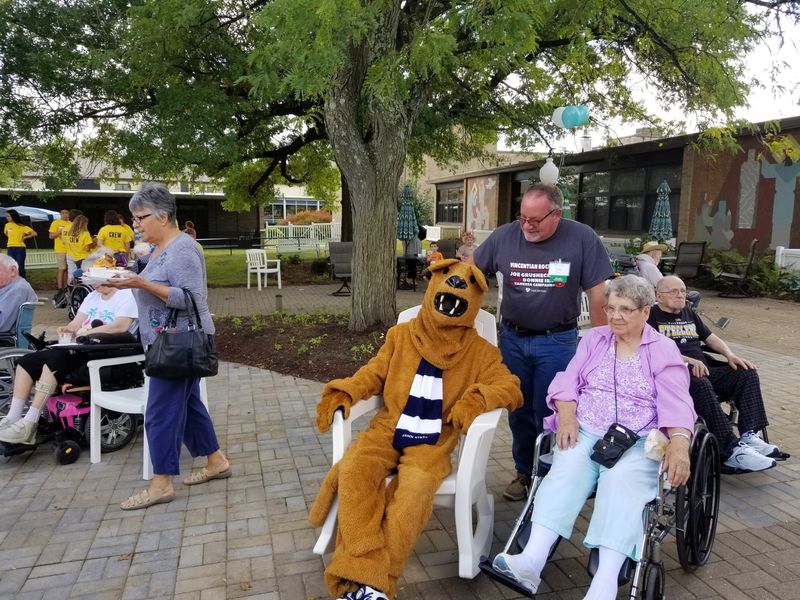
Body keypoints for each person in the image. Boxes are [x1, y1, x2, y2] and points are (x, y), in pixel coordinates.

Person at [491, 275, 696, 599]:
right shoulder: (594, 340)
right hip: (586, 429)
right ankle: (531, 561)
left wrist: (681, 445)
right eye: (611, 308)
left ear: (645, 312)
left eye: (626, 309)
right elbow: (567, 382)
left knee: (621, 484)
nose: (615, 316)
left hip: (638, 439)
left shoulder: (662, 349)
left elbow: (678, 402)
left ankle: (603, 586)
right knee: (565, 470)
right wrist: (568, 417)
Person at [467, 183, 613, 501]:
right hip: (512, 340)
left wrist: (603, 348)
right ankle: (524, 471)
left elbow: (598, 295)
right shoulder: (506, 236)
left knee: (554, 411)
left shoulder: (582, 238)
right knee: (518, 410)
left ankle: (551, 476)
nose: (527, 226)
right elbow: (470, 276)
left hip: (557, 341)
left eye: (535, 220)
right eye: (523, 218)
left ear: (556, 214)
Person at [106, 182, 229, 510]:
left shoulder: (182, 248)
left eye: (140, 217)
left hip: (179, 342)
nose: (135, 224)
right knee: (187, 406)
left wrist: (141, 282)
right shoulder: (159, 249)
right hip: (167, 342)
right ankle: (216, 461)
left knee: (160, 412)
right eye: (133, 218)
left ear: (163, 216)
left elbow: (191, 298)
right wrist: (122, 278)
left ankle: (161, 483)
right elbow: (156, 285)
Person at [647, 275, 782, 472]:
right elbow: (650, 349)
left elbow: (710, 338)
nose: (680, 295)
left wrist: (730, 355)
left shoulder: (688, 313)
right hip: (677, 378)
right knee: (702, 383)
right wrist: (685, 359)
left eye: (683, 291)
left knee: (746, 372)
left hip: (705, 371)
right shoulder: (651, 316)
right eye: (674, 291)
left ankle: (749, 435)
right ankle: (731, 450)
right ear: (659, 295)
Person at [0, 283, 138, 441]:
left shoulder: (127, 295)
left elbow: (120, 326)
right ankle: (13, 416)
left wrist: (88, 334)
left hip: (105, 350)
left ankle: (29, 423)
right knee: (26, 362)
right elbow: (76, 323)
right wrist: (68, 329)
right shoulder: (92, 296)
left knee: (53, 364)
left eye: (98, 280)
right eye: (92, 281)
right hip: (79, 346)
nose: (95, 285)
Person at [635, 241, 701, 308]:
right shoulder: (650, 267)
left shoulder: (638, 262)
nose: (660, 258)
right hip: (655, 296)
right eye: (659, 255)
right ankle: (687, 314)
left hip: (644, 294)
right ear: (653, 254)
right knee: (695, 295)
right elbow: (663, 284)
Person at [0, 254, 38, 344]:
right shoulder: (10, 287)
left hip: (5, 339)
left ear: (12, 271)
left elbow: (2, 324)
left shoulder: (18, 289)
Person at [3, 209, 37, 279]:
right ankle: (12, 282)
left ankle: (22, 282)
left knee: (20, 266)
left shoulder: (22, 226)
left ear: (13, 216)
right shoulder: (7, 225)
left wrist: (25, 237)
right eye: (6, 216)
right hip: (10, 248)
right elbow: (6, 233)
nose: (7, 218)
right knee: (11, 266)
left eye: (8, 216)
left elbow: (34, 233)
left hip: (20, 248)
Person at [62, 214, 93, 282]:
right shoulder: (85, 233)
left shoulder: (69, 232)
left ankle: (71, 290)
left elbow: (64, 242)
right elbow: (87, 248)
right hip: (82, 257)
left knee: (71, 275)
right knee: (83, 276)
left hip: (71, 255)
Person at [48, 209, 72, 294]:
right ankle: (60, 288)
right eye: (63, 213)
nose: (65, 214)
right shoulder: (56, 223)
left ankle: (66, 287)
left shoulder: (71, 224)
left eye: (67, 213)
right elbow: (51, 236)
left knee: (68, 268)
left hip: (70, 249)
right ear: (60, 214)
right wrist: (60, 231)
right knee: (62, 268)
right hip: (60, 249)